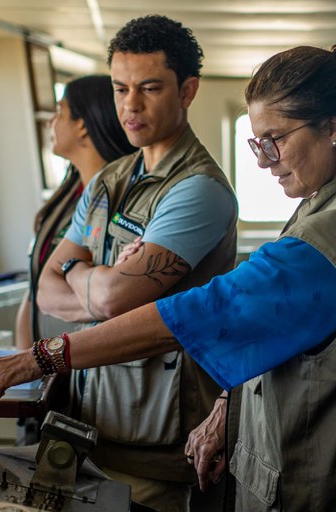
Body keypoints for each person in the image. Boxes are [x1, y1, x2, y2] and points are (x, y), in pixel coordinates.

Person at [0, 39, 336, 511]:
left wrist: (41, 359)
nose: (264, 161)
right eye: (257, 144)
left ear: (334, 127)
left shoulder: (332, 235)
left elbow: (196, 312)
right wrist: (227, 406)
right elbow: (282, 326)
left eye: (274, 140)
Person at [33, 15, 238, 512]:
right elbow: (46, 288)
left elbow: (114, 298)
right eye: (121, 89)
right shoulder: (108, 180)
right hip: (87, 426)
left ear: (187, 90)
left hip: (156, 446)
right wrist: (101, 282)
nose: (131, 105)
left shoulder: (199, 190)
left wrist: (88, 280)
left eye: (149, 88)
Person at [13, 74, 136, 446]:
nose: (51, 121)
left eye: (59, 112)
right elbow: (38, 288)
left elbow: (110, 296)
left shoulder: (117, 200)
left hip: (74, 369)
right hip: (37, 370)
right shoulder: (69, 196)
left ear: (83, 124)